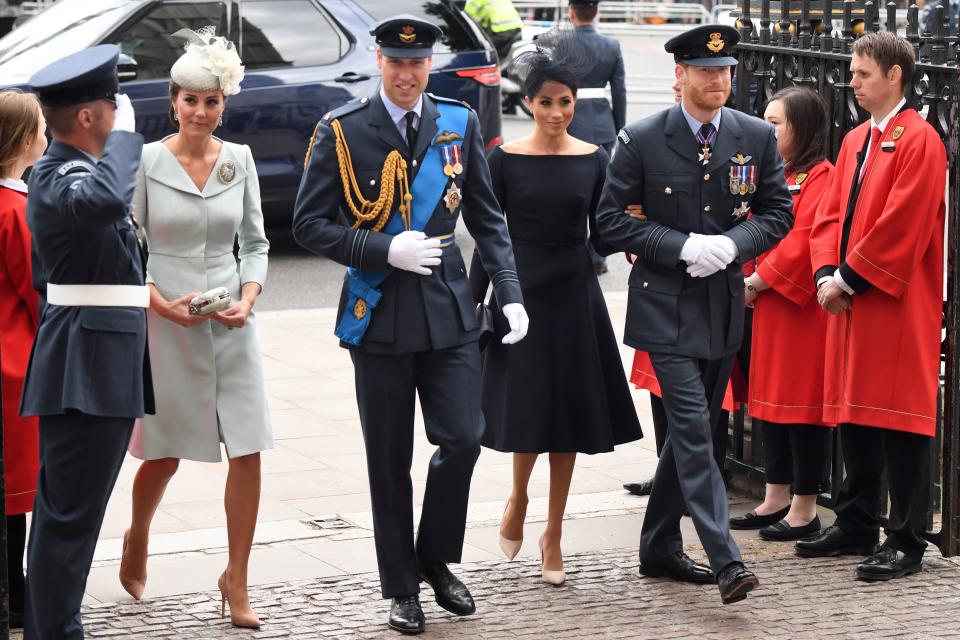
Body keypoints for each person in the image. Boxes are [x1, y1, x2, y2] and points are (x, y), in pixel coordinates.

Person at [292, 15, 528, 635]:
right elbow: (309, 224)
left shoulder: (459, 119)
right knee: (388, 459)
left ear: (431, 64)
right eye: (396, 63)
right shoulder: (342, 130)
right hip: (382, 313)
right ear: (378, 61)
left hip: (450, 310)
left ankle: (434, 557)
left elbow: (486, 214)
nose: (406, 74)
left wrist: (508, 291)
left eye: (417, 63)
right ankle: (401, 586)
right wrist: (380, 250)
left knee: (463, 439)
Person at [594, 24, 793, 604]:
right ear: (679, 75)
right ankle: (727, 560)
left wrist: (734, 244)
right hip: (665, 306)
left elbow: (777, 213)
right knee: (695, 433)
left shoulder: (753, 136)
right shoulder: (641, 138)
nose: (718, 80)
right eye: (707, 71)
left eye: (726, 70)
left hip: (722, 305)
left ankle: (657, 548)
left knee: (693, 434)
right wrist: (679, 244)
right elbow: (608, 224)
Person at [468, 31, 642, 587]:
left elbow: (607, 228)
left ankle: (554, 534)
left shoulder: (594, 158)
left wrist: (642, 245)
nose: (557, 112)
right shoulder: (502, 160)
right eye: (546, 102)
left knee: (565, 417)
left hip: (573, 295)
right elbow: (488, 236)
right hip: (520, 293)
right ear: (528, 104)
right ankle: (518, 496)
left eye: (566, 101)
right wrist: (475, 302)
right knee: (529, 411)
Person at [118, 29, 271, 628]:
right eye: (191, 101)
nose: (202, 113)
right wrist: (158, 304)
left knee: (250, 448)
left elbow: (256, 243)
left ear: (223, 106)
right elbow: (127, 249)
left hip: (233, 322)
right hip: (168, 322)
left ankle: (236, 579)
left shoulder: (241, 160)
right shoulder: (147, 162)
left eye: (212, 103)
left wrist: (250, 296)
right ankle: (137, 534)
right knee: (164, 454)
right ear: (173, 102)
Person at [799, 31, 946, 581]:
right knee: (853, 409)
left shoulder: (920, 139)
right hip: (850, 296)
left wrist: (847, 280)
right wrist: (822, 273)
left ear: (895, 75)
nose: (853, 82)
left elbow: (901, 225)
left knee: (902, 418)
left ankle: (906, 538)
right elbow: (830, 215)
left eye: (863, 74)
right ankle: (856, 519)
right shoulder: (856, 138)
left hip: (893, 300)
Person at [19, 45, 152, 639]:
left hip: (102, 357)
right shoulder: (59, 174)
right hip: (86, 363)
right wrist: (125, 143)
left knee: (77, 514)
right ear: (90, 118)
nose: (123, 112)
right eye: (113, 104)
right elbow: (105, 203)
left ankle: (58, 625)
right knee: (68, 517)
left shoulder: (69, 173)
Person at [729, 86, 835, 540]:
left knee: (801, 406)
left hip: (796, 307)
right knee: (769, 402)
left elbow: (803, 238)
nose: (765, 131)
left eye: (776, 123)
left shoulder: (821, 177)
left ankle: (805, 506)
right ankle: (775, 495)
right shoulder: (770, 174)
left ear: (803, 128)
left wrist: (757, 281)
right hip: (765, 302)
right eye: (764, 121)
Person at [0, 88, 46, 630]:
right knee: (16, 494)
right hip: (14, 365)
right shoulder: (18, 210)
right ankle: (17, 594)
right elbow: (38, 293)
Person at [566, 0, 626, 277]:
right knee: (601, 194)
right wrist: (618, 126)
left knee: (571, 193)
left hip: (569, 122)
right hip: (603, 125)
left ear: (571, 11)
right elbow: (619, 90)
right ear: (596, 12)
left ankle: (573, 250)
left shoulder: (560, 44)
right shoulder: (611, 45)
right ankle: (597, 254)